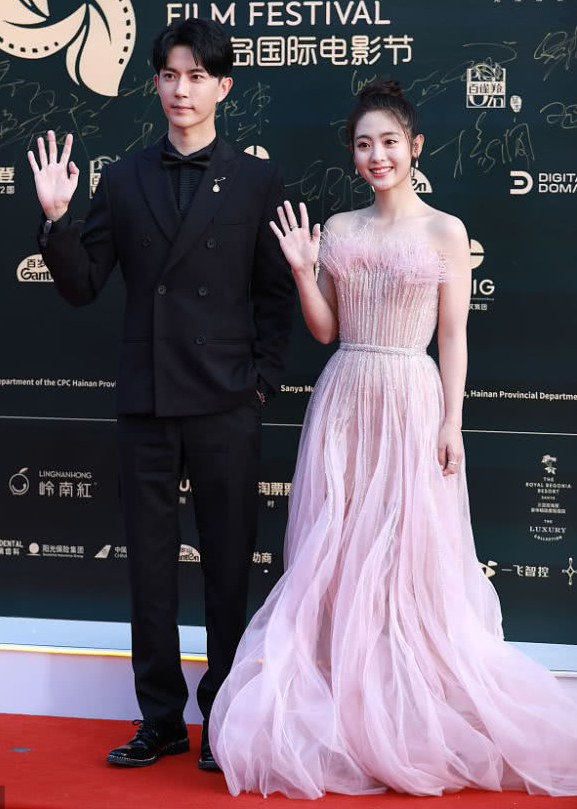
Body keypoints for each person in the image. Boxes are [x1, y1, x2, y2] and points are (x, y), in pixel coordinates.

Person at [209, 78, 577, 798]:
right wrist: (302, 270)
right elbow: (324, 330)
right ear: (352, 156)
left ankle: (407, 711)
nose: (376, 155)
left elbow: (454, 337)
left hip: (411, 396)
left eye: (388, 142)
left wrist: (451, 422)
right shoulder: (340, 229)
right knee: (339, 551)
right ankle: (347, 711)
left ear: (414, 147)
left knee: (407, 555)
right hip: (345, 394)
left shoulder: (445, 231)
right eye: (363, 145)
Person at [27, 18, 294, 772]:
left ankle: (225, 719)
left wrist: (260, 383)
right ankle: (160, 721)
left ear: (223, 87)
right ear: (154, 83)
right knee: (148, 566)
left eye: (198, 76)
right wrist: (56, 221)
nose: (183, 89)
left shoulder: (257, 181)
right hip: (146, 400)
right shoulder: (124, 178)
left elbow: (276, 298)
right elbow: (83, 287)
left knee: (227, 568)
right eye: (171, 75)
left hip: (225, 401)